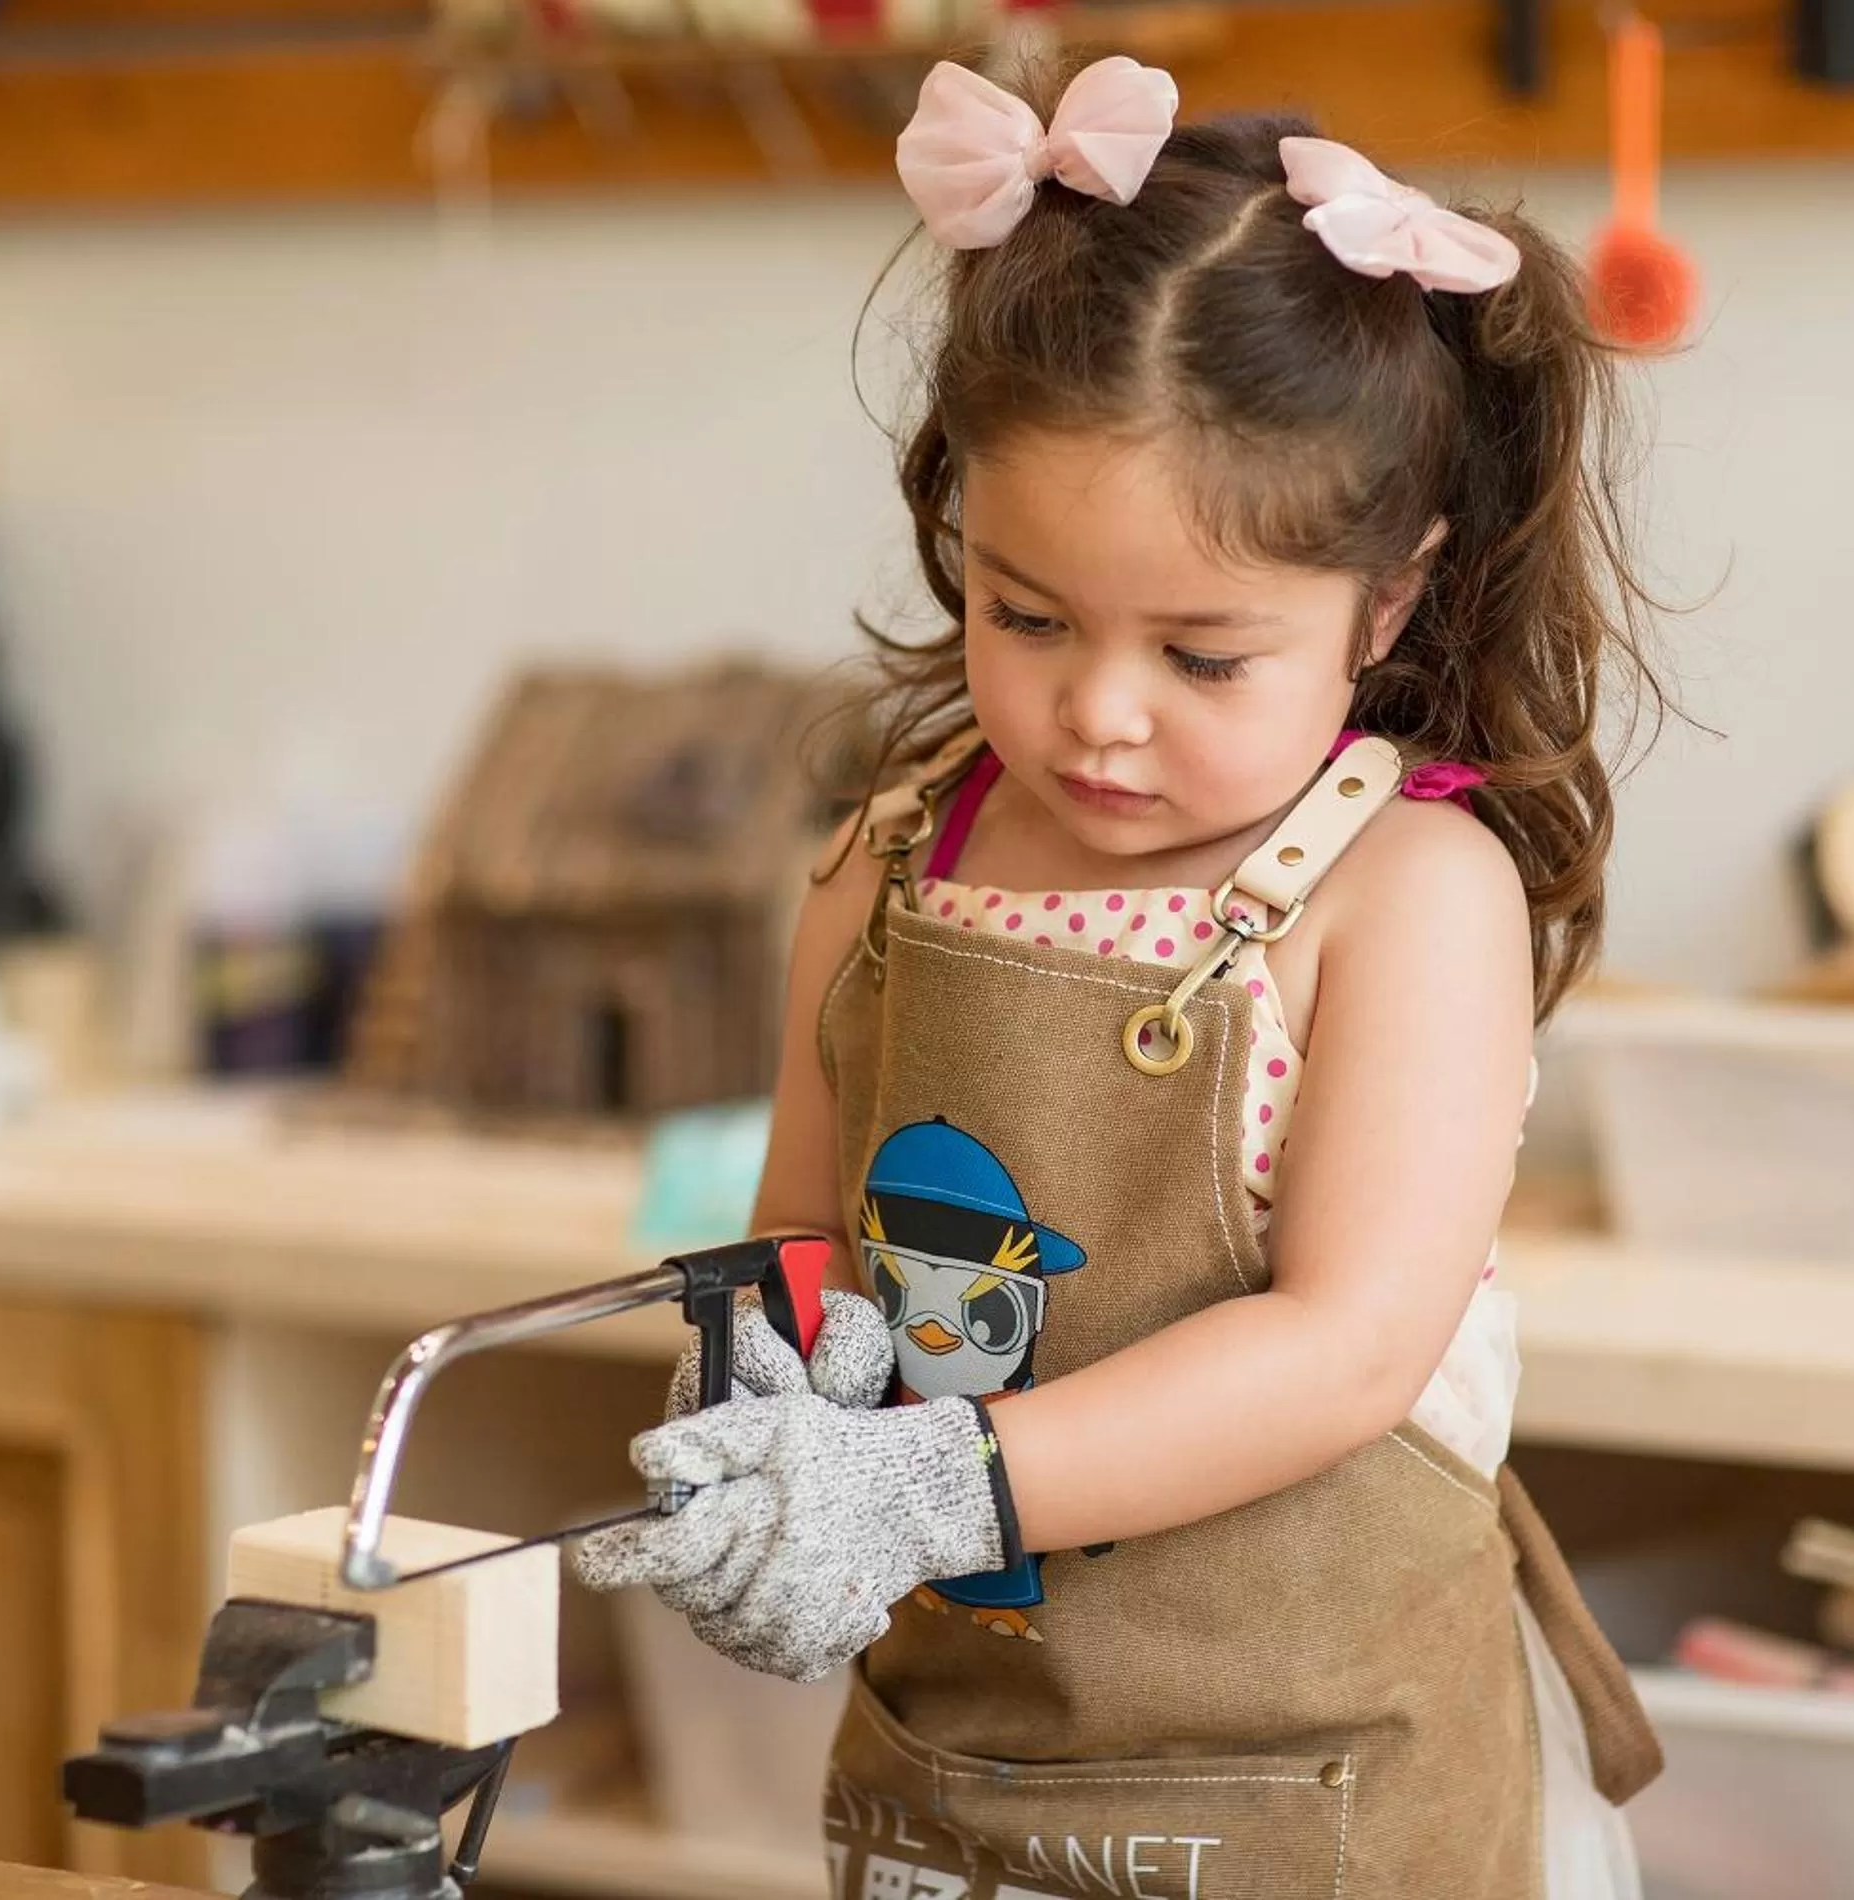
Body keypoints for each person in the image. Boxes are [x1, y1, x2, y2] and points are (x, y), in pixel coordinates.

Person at [579, 50, 1665, 1897]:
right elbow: (800, 1241)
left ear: (1387, 601)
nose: (1096, 710)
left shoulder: (1404, 897)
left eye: (1202, 655)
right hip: (953, 1774)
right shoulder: (882, 863)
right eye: (1026, 615)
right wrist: (764, 1426)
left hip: (1316, 1796)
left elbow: (1341, 1350)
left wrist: (933, 1485)